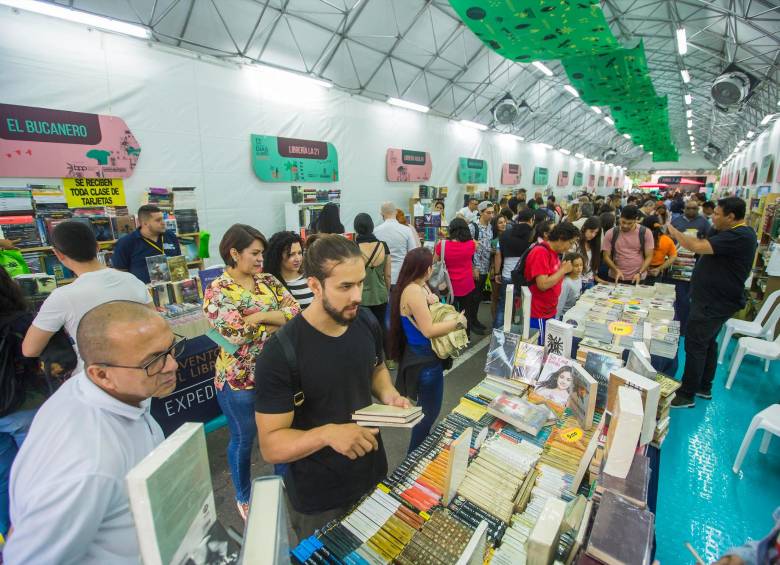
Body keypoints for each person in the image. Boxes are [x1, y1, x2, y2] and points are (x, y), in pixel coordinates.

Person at [254, 235, 410, 540]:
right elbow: (272, 445)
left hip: (372, 473)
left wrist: (388, 394)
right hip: (319, 498)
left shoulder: (364, 321)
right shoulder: (281, 352)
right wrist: (328, 433)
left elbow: (375, 367)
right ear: (314, 286)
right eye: (344, 287)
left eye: (360, 283)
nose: (357, 296)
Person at [6, 301, 181, 564]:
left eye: (171, 349)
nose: (172, 365)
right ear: (101, 374)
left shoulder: (120, 387)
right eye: (154, 360)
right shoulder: (87, 465)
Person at [203, 224, 300, 519]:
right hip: (239, 378)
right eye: (254, 253)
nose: (260, 259)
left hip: (275, 374)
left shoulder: (268, 279)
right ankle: (243, 495)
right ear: (234, 252)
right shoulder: (217, 289)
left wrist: (256, 316)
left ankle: (283, 484)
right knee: (244, 438)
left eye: (262, 253)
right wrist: (274, 321)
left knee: (281, 433)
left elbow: (295, 312)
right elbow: (234, 334)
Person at [22, 220, 152, 372]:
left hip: (93, 379)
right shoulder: (132, 280)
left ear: (58, 254)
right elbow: (154, 322)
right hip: (139, 371)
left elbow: (30, 349)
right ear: (97, 246)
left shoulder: (62, 297)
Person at [668, 198, 757, 408]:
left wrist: (672, 229)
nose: (712, 217)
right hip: (712, 299)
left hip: (714, 302)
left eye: (717, 214)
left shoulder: (740, 235)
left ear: (731, 217)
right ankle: (704, 387)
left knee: (695, 343)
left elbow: (694, 246)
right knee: (707, 343)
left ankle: (686, 394)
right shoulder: (727, 232)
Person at [388, 248, 466, 453]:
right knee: (428, 414)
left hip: (425, 357)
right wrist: (457, 323)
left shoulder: (417, 286)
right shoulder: (413, 290)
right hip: (425, 361)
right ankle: (413, 457)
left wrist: (433, 302)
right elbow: (429, 329)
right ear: (426, 268)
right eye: (432, 264)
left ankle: (417, 452)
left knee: (428, 411)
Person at [0, 269, 46, 539]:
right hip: (24, 405)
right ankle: (40, 534)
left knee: (3, 479)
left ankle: (12, 535)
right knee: (39, 471)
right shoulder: (22, 321)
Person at [524, 222, 579, 343]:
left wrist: (561, 270)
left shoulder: (553, 253)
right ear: (561, 238)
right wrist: (563, 271)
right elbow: (542, 285)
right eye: (570, 243)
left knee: (546, 346)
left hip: (548, 310)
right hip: (538, 312)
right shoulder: (541, 252)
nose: (570, 247)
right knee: (537, 349)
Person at [434, 218, 486, 335]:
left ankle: (450, 336)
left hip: (447, 285)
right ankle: (465, 336)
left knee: (448, 313)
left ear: (450, 230)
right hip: (466, 284)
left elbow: (435, 262)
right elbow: (475, 244)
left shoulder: (442, 245)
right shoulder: (471, 245)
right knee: (465, 312)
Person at [111, 204, 181, 284]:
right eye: (158, 220)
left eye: (163, 219)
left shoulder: (170, 236)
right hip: (143, 293)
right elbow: (120, 273)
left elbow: (178, 261)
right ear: (145, 223)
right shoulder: (126, 243)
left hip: (173, 288)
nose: (163, 223)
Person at [494, 208, 535, 329]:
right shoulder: (533, 235)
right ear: (531, 220)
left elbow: (498, 255)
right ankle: (522, 336)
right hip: (525, 277)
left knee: (503, 306)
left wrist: (497, 273)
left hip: (507, 275)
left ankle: (498, 334)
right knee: (525, 308)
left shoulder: (506, 233)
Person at [354, 213, 391, 328]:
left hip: (361, 297)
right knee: (380, 327)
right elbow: (388, 275)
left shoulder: (354, 248)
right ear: (372, 226)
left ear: (356, 228)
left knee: (363, 329)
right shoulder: (383, 246)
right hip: (381, 296)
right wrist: (387, 292)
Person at [601, 205, 654, 283]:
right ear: (619, 218)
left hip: (638, 277)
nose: (625, 226)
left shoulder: (645, 233)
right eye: (623, 222)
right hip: (615, 277)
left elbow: (649, 256)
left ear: (636, 220)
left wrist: (639, 273)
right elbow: (606, 256)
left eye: (629, 223)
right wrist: (616, 270)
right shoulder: (611, 233)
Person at [374, 201, 419, 289]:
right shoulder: (406, 230)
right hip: (402, 276)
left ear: (381, 214)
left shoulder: (376, 231)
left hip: (382, 278)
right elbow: (413, 254)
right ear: (395, 212)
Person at [265, 231, 314, 310]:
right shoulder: (270, 284)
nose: (297, 259)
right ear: (277, 256)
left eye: (299, 253)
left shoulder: (310, 277)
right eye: (291, 254)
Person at [470, 201, 494, 313]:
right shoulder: (473, 227)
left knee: (479, 296)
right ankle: (471, 321)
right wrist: (473, 267)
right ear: (481, 212)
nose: (491, 215)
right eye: (488, 213)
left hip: (486, 267)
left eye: (493, 212)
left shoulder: (491, 226)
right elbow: (467, 248)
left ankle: (475, 319)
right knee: (473, 297)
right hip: (476, 268)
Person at [642, 215, 677, 285]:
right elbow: (673, 256)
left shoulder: (641, 238)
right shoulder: (667, 240)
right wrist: (660, 268)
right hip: (656, 271)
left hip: (639, 270)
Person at [575, 216, 603, 290]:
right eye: (591, 231)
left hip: (590, 282)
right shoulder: (575, 243)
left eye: (596, 233)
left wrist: (596, 278)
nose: (593, 235)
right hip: (576, 282)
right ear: (584, 228)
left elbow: (593, 266)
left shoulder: (594, 245)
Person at [490, 214, 509, 321]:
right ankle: (495, 322)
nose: (503, 224)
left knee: (508, 298)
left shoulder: (509, 236)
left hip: (507, 270)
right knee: (495, 298)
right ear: (495, 225)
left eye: (504, 222)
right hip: (496, 271)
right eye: (500, 223)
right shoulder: (493, 240)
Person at [557, 252, 584, 319]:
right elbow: (560, 302)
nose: (579, 268)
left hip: (574, 313)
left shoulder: (579, 277)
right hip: (565, 316)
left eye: (581, 265)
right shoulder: (566, 283)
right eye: (576, 266)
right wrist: (556, 319)